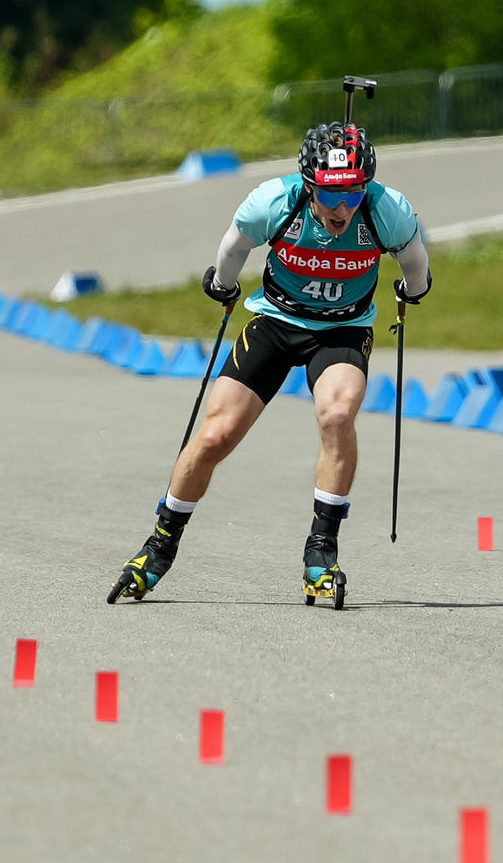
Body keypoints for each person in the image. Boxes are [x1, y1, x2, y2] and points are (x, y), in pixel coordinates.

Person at [108, 119, 431, 608]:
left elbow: (415, 262)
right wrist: (223, 283)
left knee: (338, 415)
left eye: (354, 195)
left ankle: (321, 552)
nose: (343, 208)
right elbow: (234, 246)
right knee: (216, 434)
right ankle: (159, 545)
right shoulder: (275, 202)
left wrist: (414, 291)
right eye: (330, 195)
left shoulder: (387, 210)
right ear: (308, 185)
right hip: (276, 323)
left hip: (343, 329)